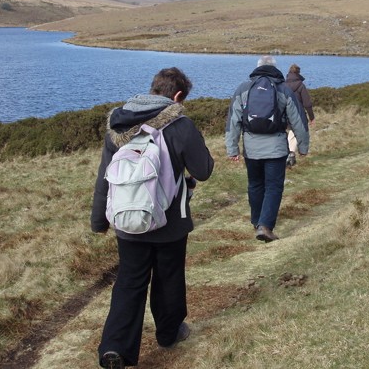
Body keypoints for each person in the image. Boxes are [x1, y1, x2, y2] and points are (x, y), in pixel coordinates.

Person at [91, 67, 215, 369]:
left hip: (127, 221)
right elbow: (204, 170)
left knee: (129, 282)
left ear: (152, 89)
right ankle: (169, 334)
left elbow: (105, 176)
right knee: (168, 277)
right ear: (176, 96)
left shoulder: (119, 124)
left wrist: (99, 220)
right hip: (169, 222)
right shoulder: (180, 125)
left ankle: (115, 347)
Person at [225, 55, 309, 242]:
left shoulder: (243, 88)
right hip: (276, 148)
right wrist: (303, 146)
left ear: (257, 68)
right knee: (273, 187)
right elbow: (298, 121)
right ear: (275, 68)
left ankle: (257, 222)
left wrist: (232, 149)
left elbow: (233, 121)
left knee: (255, 184)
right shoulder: (284, 89)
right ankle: (265, 226)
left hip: (251, 149)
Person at [284, 63, 315, 167]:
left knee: (287, 133)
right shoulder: (301, 85)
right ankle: (292, 155)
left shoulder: (283, 85)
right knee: (295, 133)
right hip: (298, 114)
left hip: (284, 114)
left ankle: (287, 154)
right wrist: (312, 117)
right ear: (298, 73)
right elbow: (307, 103)